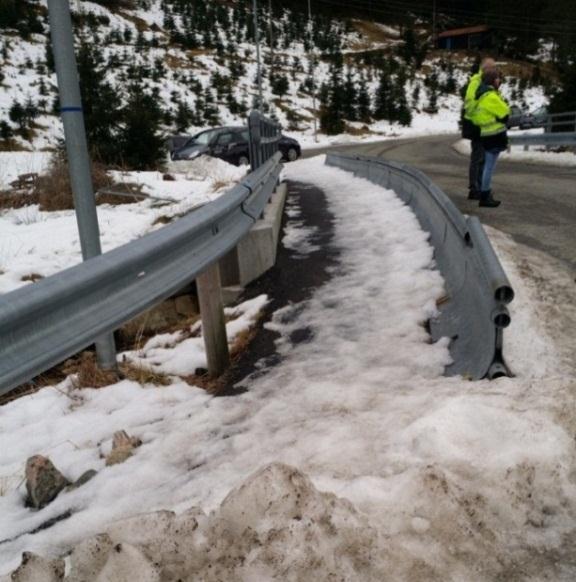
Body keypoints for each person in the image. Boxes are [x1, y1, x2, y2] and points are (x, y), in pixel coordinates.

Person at [471, 69, 510, 208]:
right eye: (498, 78)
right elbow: (505, 112)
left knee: (487, 166)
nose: (499, 81)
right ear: (492, 81)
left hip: (487, 135)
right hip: (495, 135)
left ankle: (485, 193)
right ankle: (485, 195)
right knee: (489, 167)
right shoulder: (491, 97)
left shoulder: (481, 96)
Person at [461, 58, 496, 201]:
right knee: (478, 157)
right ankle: (474, 188)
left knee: (482, 158)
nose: (494, 71)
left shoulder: (485, 82)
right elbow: (470, 103)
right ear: (486, 69)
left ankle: (480, 187)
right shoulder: (477, 82)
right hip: (477, 126)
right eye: (492, 68)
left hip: (485, 126)